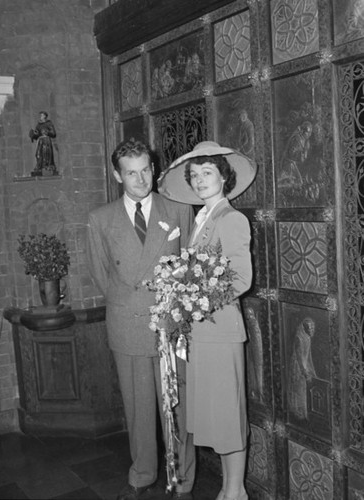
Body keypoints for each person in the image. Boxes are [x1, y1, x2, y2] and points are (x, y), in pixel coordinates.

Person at [86, 137, 196, 500]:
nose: (140, 179)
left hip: (171, 324)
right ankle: (143, 473)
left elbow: (190, 266)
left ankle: (182, 477)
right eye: (131, 173)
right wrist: (132, 300)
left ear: (154, 168)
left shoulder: (179, 210)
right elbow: (102, 274)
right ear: (117, 175)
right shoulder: (100, 219)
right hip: (128, 321)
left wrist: (170, 308)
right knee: (138, 408)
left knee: (178, 406)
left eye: (145, 169)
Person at [158, 141, 257, 500]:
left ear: (224, 176)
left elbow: (240, 278)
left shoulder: (231, 218)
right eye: (194, 175)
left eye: (207, 173)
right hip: (201, 334)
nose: (200, 181)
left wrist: (195, 300)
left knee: (228, 416)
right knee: (217, 416)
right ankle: (231, 490)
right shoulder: (202, 219)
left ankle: (235, 491)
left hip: (220, 332)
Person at [288, 317, 317, 420]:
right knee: (299, 388)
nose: (312, 330)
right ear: (304, 329)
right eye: (310, 328)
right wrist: (304, 372)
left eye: (313, 328)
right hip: (298, 366)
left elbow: (308, 356)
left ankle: (304, 413)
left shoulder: (308, 338)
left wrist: (312, 371)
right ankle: (298, 413)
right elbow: (300, 357)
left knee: (304, 389)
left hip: (304, 364)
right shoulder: (299, 338)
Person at [29, 111, 57, 175]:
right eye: (40, 115)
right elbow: (37, 134)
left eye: (41, 115)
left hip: (46, 141)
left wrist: (47, 132)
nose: (40, 117)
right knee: (38, 154)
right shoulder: (38, 125)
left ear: (45, 116)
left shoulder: (48, 123)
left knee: (46, 154)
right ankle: (39, 167)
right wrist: (33, 134)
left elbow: (53, 133)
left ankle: (46, 167)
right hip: (40, 141)